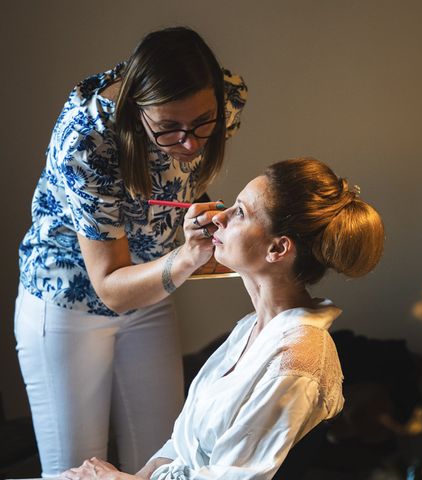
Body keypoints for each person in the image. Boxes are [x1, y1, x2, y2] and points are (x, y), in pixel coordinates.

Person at [14, 26, 247, 477]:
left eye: (203, 122)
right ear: (137, 111)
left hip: (151, 295)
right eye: (168, 129)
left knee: (167, 464)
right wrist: (184, 257)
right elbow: (112, 289)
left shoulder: (227, 96)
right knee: (79, 471)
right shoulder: (88, 139)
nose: (190, 143)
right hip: (69, 303)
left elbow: (179, 179)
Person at [61, 156, 386, 480]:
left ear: (277, 249)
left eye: (240, 212)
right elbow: (182, 444)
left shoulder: (297, 362)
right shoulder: (252, 329)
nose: (219, 217)